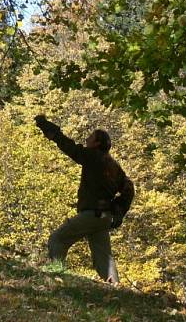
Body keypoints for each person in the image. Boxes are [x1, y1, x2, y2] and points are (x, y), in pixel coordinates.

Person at [35, 114, 134, 284]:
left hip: (92, 215)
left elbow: (69, 146)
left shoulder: (93, 157)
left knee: (57, 239)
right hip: (103, 218)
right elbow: (129, 189)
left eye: (90, 138)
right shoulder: (113, 165)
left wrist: (46, 126)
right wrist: (118, 212)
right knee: (105, 260)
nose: (87, 140)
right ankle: (116, 289)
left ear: (97, 144)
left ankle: (56, 278)